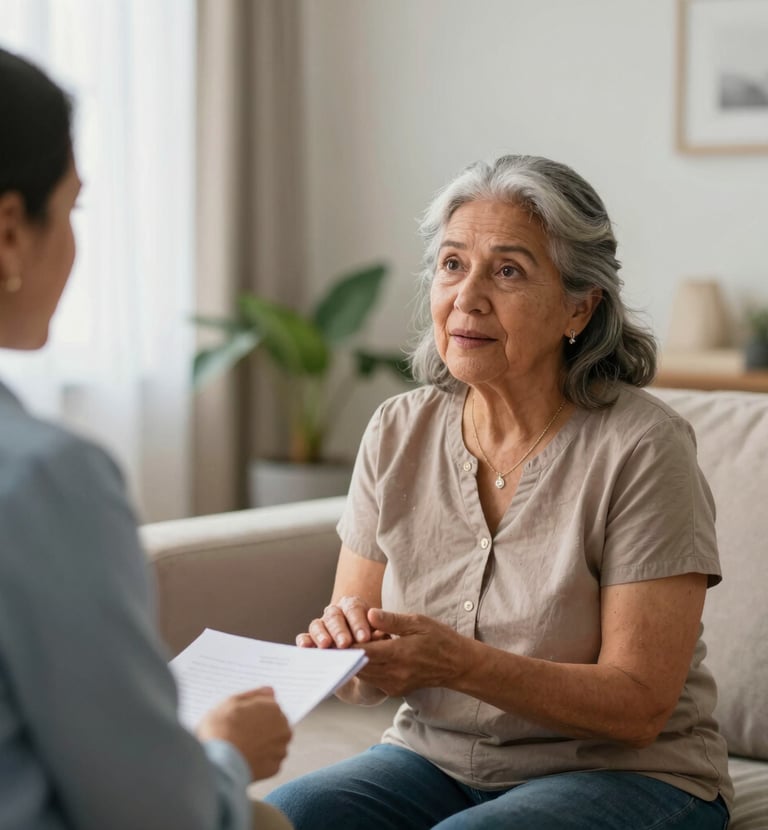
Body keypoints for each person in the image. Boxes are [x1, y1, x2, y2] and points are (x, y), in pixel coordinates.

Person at [265, 154, 733, 829]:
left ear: (580, 307)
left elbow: (639, 706)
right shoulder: (397, 430)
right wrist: (349, 651)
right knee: (277, 819)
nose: (468, 296)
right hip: (434, 760)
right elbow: (362, 683)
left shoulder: (643, 447)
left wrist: (459, 664)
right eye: (453, 264)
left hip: (626, 773)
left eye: (508, 271)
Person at [0, 47, 293, 830]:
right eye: (73, 210)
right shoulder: (44, 478)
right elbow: (157, 813)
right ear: (10, 232)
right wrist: (224, 752)